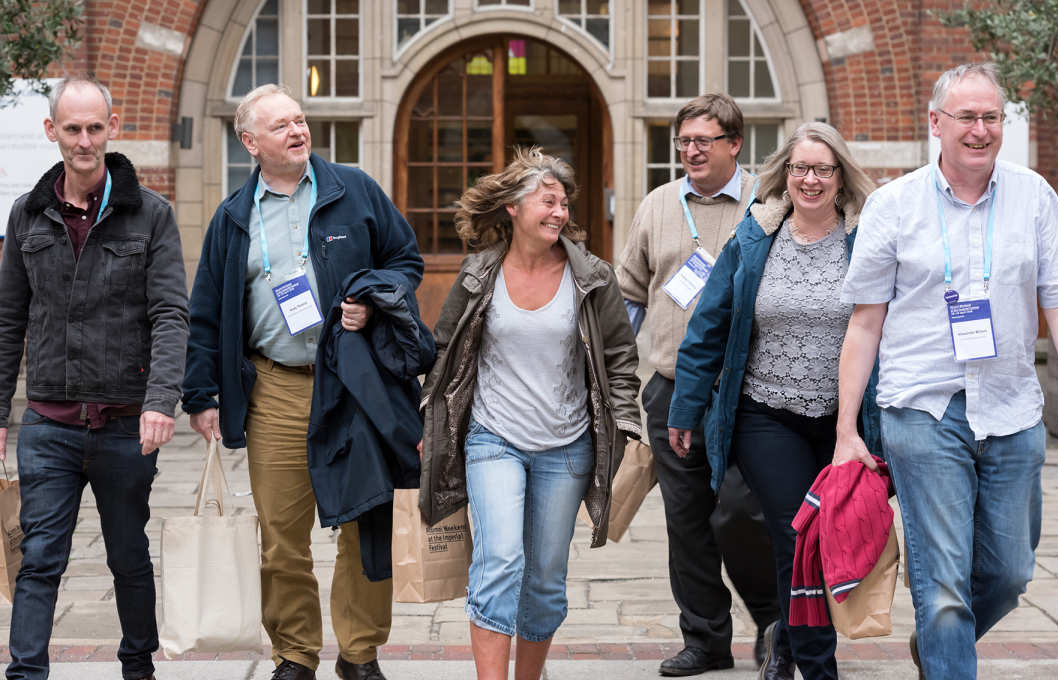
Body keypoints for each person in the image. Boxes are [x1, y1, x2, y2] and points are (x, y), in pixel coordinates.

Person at [834, 62, 1058, 680]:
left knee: (1010, 572)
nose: (980, 129)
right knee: (943, 585)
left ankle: (941, 642)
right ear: (936, 123)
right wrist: (846, 429)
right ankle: (946, 644)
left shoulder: (1035, 197)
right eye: (966, 116)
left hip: (1012, 408)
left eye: (991, 117)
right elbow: (865, 323)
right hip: (923, 409)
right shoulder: (893, 205)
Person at [182, 84, 423, 680]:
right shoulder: (232, 217)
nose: (297, 131)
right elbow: (206, 311)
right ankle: (295, 653)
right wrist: (200, 393)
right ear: (250, 142)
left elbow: (405, 262)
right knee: (281, 534)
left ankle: (360, 653)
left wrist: (371, 298)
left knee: (365, 521)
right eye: (281, 125)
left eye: (300, 120)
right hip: (276, 388)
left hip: (355, 386)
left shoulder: (354, 189)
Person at [667, 122, 881, 680]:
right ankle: (816, 666)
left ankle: (787, 635)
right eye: (800, 168)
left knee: (828, 536)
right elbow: (709, 324)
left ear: (840, 177)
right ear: (785, 174)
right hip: (766, 414)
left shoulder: (866, 237)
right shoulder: (756, 235)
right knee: (796, 534)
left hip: (844, 419)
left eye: (823, 169)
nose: (810, 180)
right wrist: (686, 406)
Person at [419, 147, 641, 680]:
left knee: (543, 581)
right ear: (513, 208)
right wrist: (428, 419)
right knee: (499, 561)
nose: (559, 212)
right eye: (547, 201)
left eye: (563, 203)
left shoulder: (593, 277)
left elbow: (619, 357)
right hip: (493, 437)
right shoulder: (479, 273)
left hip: (566, 447)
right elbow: (444, 350)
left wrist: (626, 423)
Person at [0, 77, 189, 680]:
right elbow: (7, 320)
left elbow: (170, 314)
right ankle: (25, 673)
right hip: (48, 426)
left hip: (126, 425)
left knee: (128, 557)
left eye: (95, 128)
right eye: (73, 128)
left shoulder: (151, 214)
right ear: (51, 131)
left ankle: (138, 667)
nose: (84, 140)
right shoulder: (26, 215)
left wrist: (161, 400)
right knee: (39, 559)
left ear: (113, 128)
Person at [616, 93, 781, 676]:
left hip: (750, 393)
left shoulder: (769, 204)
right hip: (670, 388)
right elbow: (629, 296)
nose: (690, 151)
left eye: (703, 141)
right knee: (686, 522)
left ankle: (776, 623)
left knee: (742, 513)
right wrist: (613, 375)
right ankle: (706, 639)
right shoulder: (659, 204)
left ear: (734, 144)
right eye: (683, 141)